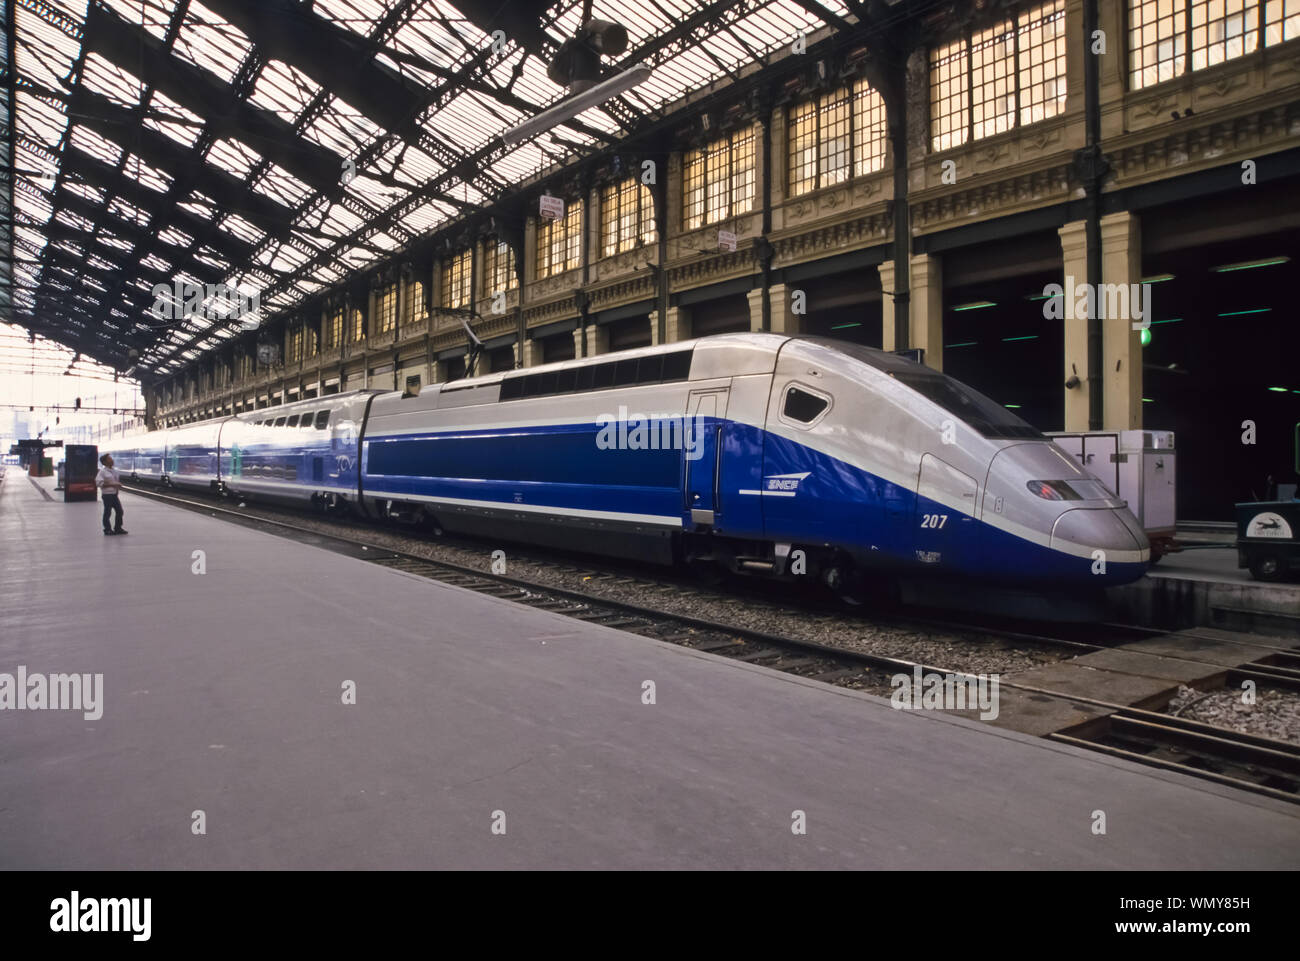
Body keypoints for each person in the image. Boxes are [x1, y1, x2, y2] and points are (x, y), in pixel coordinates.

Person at [95, 453, 128, 536]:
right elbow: (99, 483)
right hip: (107, 495)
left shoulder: (113, 471)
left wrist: (116, 485)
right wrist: (113, 484)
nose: (112, 460)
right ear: (105, 462)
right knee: (108, 512)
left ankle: (118, 528)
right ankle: (107, 529)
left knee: (120, 511)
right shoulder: (102, 472)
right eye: (109, 459)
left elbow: (113, 481)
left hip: (114, 494)